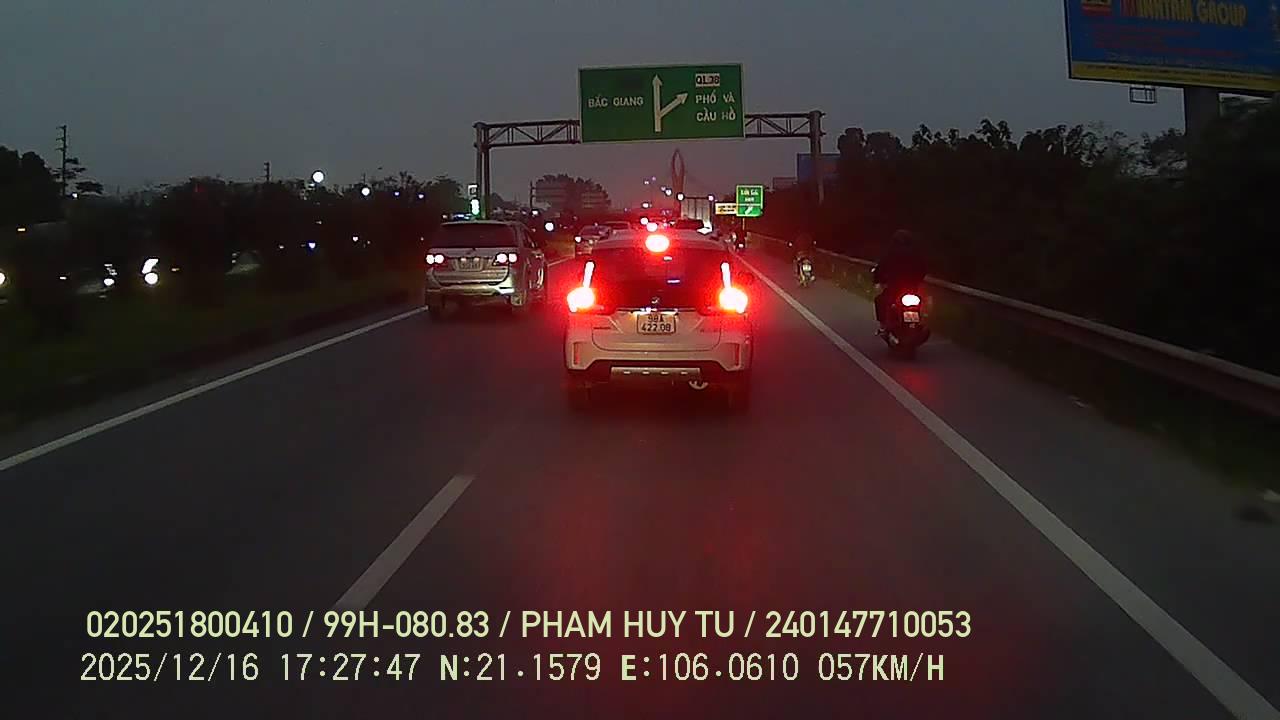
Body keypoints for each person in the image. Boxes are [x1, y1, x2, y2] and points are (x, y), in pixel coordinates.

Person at [872, 229, 928, 325]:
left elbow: (881, 268)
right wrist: (917, 280)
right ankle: (915, 322)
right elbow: (923, 270)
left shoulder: (890, 253)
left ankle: (883, 324)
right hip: (913, 289)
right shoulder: (916, 254)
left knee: (880, 300)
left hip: (895, 288)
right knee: (921, 303)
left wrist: (878, 279)